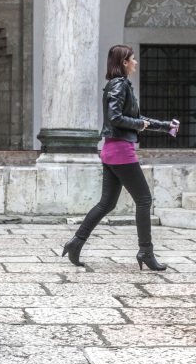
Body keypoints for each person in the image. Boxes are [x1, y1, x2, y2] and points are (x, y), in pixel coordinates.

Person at [62, 44, 179, 271]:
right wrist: (137, 123)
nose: (136, 62)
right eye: (133, 59)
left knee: (107, 203)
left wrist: (165, 126)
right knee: (144, 199)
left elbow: (133, 117)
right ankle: (145, 251)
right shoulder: (119, 85)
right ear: (124, 62)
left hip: (113, 150)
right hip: (120, 152)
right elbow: (115, 117)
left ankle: (76, 242)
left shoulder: (120, 85)